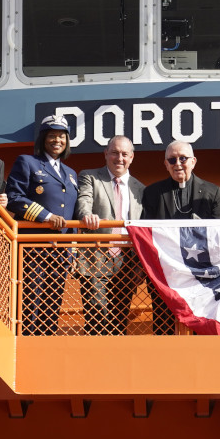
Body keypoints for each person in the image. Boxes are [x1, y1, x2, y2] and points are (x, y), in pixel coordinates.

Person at [142, 140, 220, 333]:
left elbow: (219, 234)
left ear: (194, 161)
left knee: (201, 321)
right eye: (172, 160)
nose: (177, 163)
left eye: (183, 158)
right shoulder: (153, 192)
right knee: (164, 321)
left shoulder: (212, 192)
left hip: (200, 273)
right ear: (165, 164)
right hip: (165, 270)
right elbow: (145, 232)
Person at [6, 114, 78, 336]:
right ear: (43, 139)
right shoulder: (27, 162)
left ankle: (45, 343)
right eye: (52, 136)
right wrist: (47, 217)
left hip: (61, 251)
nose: (57, 140)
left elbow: (72, 212)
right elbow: (14, 198)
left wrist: (73, 248)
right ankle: (26, 344)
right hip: (34, 248)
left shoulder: (71, 173)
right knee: (31, 302)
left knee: (52, 304)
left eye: (62, 136)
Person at [75, 135, 145, 335]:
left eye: (124, 154)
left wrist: (140, 265)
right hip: (96, 256)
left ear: (132, 157)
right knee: (97, 316)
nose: (119, 158)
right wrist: (86, 215)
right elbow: (84, 201)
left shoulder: (140, 188)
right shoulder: (90, 176)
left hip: (127, 260)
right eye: (114, 152)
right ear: (106, 154)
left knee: (120, 317)